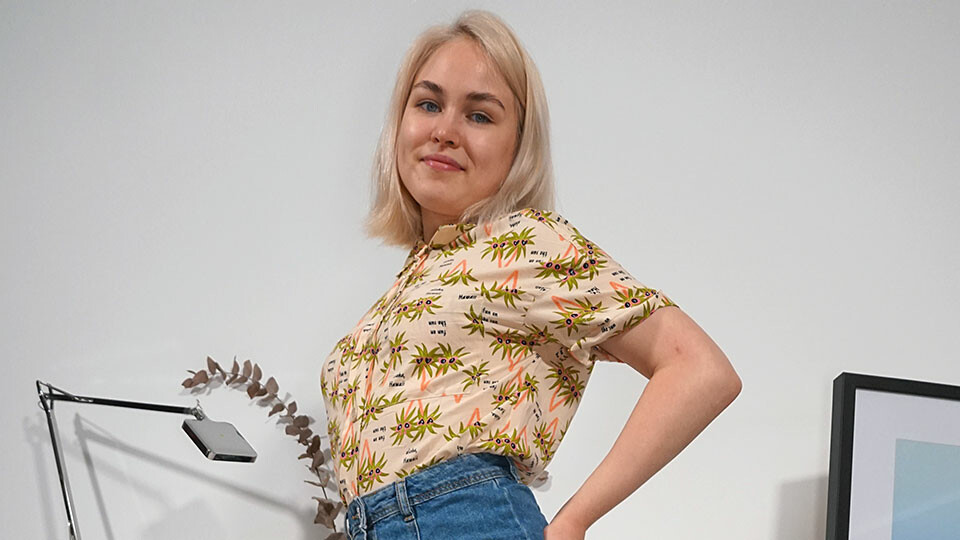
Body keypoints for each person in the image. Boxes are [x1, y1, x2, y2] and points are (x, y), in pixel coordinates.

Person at [320, 9, 742, 540]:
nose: (444, 131)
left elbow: (700, 369)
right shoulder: (416, 277)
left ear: (518, 145)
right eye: (428, 104)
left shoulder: (528, 243)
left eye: (479, 115)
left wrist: (574, 521)